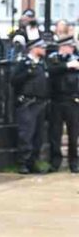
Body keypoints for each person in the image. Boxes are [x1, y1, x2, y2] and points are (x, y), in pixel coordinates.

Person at [12, 39, 50, 174]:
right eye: (42, 47)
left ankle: (33, 162)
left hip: (40, 103)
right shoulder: (23, 63)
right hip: (27, 103)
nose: (44, 50)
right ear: (34, 48)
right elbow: (14, 81)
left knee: (38, 136)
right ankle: (23, 162)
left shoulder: (42, 64)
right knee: (26, 134)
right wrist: (28, 72)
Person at [48, 36, 79, 173]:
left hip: (72, 100)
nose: (71, 48)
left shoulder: (76, 59)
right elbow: (51, 71)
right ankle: (55, 161)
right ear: (62, 47)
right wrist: (67, 66)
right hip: (57, 100)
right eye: (69, 46)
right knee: (55, 133)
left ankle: (74, 161)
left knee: (73, 133)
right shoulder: (54, 59)